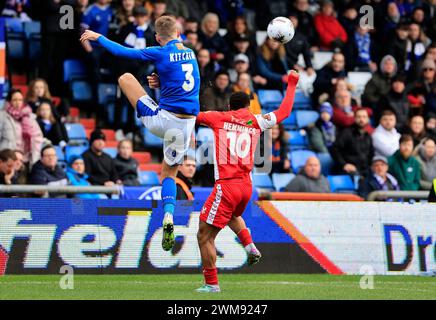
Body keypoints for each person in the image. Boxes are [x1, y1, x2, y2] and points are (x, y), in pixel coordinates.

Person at [81, 15, 200, 252]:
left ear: (157, 37)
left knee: (125, 78)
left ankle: (123, 120)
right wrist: (163, 81)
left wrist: (98, 37)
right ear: (178, 34)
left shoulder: (158, 51)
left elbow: (122, 52)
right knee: (169, 173)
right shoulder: (191, 53)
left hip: (163, 120)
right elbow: (187, 83)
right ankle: (169, 216)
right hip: (186, 126)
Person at [192, 72, 299, 293]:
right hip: (246, 187)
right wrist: (292, 83)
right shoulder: (256, 120)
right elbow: (285, 112)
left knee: (204, 235)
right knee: (231, 213)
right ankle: (250, 246)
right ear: (248, 107)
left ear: (230, 106)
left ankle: (211, 284)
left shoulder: (219, 117)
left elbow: (191, 114)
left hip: (227, 184)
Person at [2, 89, 43, 167]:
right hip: (9, 159)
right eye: (15, 100)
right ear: (9, 101)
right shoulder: (3, 116)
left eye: (20, 100)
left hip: (27, 158)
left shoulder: (30, 116)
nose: (18, 102)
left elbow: (38, 136)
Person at [331, 108, 374, 176]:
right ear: (354, 118)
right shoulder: (346, 133)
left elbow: (371, 154)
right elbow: (335, 149)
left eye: (364, 117)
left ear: (368, 120)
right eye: (359, 117)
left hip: (365, 170)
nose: (361, 119)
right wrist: (344, 164)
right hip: (350, 170)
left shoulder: (368, 136)